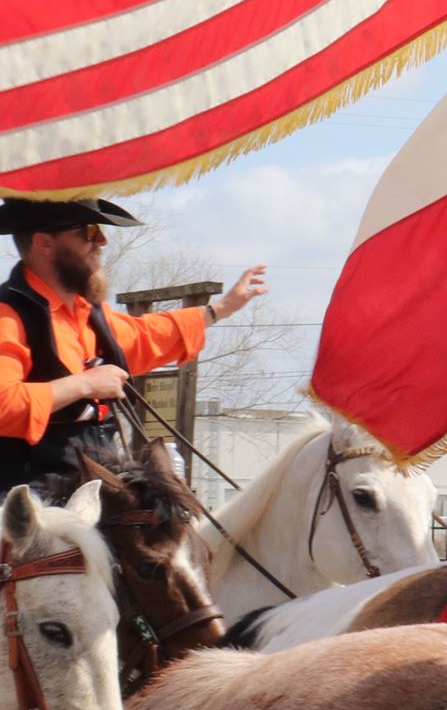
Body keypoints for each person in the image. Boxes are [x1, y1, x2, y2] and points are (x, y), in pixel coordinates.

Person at [0, 197, 265, 492]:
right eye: (88, 231)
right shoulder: (7, 315)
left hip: (92, 487)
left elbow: (145, 335)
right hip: (25, 498)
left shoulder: (88, 314)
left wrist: (221, 308)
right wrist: (84, 385)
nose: (102, 241)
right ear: (43, 243)